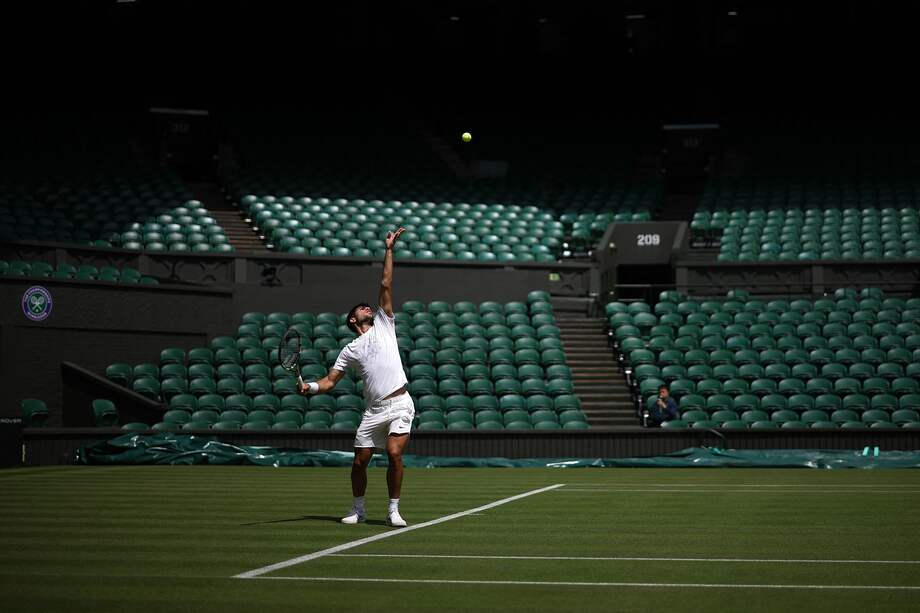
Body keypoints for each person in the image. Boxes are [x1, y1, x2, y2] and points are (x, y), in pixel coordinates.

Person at [298, 227, 413, 527]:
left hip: (400, 402)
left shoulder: (385, 323)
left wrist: (389, 249)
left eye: (368, 306)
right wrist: (309, 387)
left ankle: (393, 509)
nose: (367, 307)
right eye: (361, 308)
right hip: (373, 411)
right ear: (353, 320)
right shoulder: (349, 349)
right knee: (360, 461)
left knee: (393, 453)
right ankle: (358, 509)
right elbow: (330, 381)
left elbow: (386, 283)